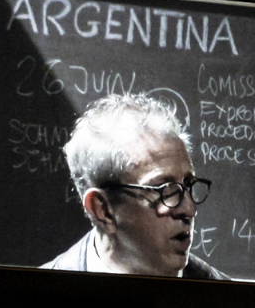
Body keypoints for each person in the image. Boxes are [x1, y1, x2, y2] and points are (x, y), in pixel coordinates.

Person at [42, 93, 227, 279]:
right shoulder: (30, 299)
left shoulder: (228, 302)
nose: (189, 209)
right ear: (103, 210)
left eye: (188, 184)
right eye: (164, 189)